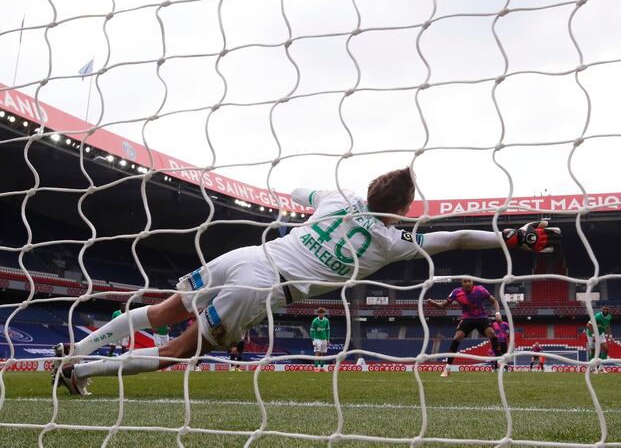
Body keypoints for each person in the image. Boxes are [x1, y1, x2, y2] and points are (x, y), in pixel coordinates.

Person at [52, 167, 560, 395]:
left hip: (248, 254)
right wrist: (510, 238)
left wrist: (325, 206)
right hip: (265, 285)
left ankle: (77, 351)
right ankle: (81, 374)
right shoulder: (393, 243)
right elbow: (455, 241)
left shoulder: (336, 198)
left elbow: (295, 189)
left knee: (162, 312)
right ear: (405, 210)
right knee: (183, 347)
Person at [426, 278, 505, 378]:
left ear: (473, 283)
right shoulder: (456, 292)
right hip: (467, 319)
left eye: (469, 281)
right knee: (456, 338)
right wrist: (433, 303)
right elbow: (442, 306)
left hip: (481, 318)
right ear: (462, 284)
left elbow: (494, 301)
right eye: (465, 282)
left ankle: (499, 363)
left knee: (492, 334)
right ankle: (447, 368)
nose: (467, 283)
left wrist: (497, 313)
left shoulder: (480, 290)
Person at [586, 306, 611, 373]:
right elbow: (588, 325)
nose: (606, 310)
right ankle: (593, 368)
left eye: (607, 309)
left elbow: (607, 325)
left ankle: (601, 368)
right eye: (604, 309)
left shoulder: (609, 317)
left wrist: (609, 334)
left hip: (600, 334)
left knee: (606, 349)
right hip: (591, 334)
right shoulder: (597, 316)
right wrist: (594, 335)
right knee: (593, 351)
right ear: (602, 310)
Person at [310, 308, 330, 372]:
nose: (321, 314)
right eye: (320, 313)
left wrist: (328, 339)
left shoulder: (326, 320)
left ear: (324, 313)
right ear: (318, 313)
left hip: (324, 339)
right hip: (317, 339)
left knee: (323, 353)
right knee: (317, 352)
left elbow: (328, 330)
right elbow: (311, 331)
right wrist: (313, 340)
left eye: (322, 313)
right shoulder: (315, 321)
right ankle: (316, 367)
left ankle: (321, 367)